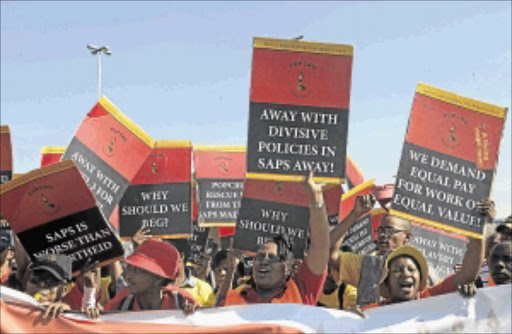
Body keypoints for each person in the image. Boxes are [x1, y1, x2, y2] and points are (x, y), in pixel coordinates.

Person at [218, 171, 330, 306]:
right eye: (259, 257)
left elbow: (320, 247)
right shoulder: (237, 298)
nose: (264, 261)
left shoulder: (300, 291)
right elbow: (218, 314)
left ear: (287, 268)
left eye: (272, 258)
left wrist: (315, 197)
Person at [363, 199, 495, 310]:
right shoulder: (372, 313)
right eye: (397, 270)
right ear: (387, 282)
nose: (406, 274)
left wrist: (479, 228)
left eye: (411, 269)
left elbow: (467, 274)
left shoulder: (432, 299)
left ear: (420, 279)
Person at [103, 239, 198, 314]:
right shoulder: (120, 304)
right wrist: (92, 315)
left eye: (137, 271)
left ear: (158, 278)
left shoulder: (182, 301)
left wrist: (194, 315)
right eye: (129, 269)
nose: (128, 276)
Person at [167, 238, 216, 307]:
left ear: (181, 256)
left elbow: (212, 315)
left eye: (167, 254)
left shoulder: (203, 288)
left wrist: (198, 311)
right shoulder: (156, 288)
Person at [24, 254, 73, 318]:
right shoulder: (12, 302)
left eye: (50, 281)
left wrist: (66, 314)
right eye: (36, 278)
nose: (41, 284)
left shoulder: (64, 316)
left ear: (65, 289)